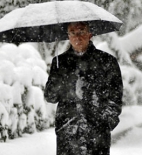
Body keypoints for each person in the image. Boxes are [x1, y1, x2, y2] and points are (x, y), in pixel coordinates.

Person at [44, 22, 123, 155]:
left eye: (81, 31)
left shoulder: (106, 61)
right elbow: (50, 97)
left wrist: (105, 122)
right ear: (68, 36)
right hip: (67, 132)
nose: (77, 37)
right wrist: (59, 80)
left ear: (90, 34)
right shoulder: (59, 63)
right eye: (72, 33)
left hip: (97, 134)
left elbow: (116, 96)